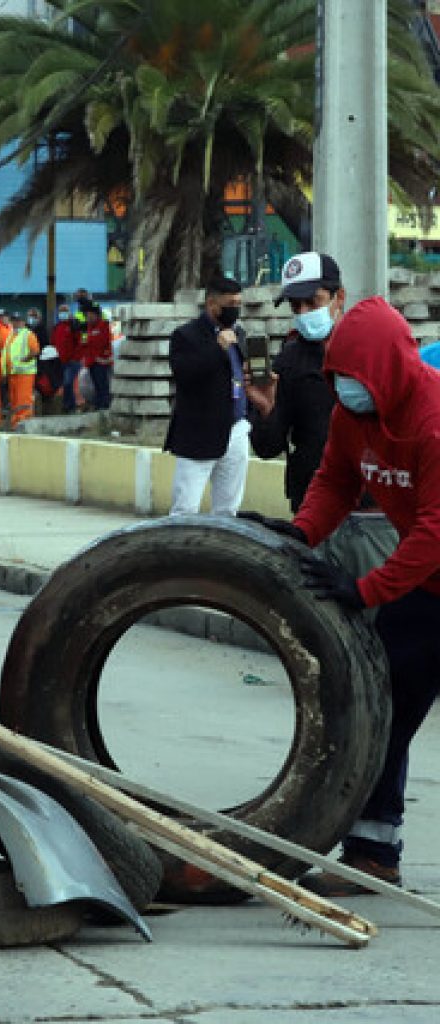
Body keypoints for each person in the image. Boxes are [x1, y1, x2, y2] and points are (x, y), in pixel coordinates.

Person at [246, 297, 440, 895]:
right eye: (340, 379)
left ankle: (372, 850)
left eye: (357, 380)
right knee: (380, 704)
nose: (348, 391)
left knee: (388, 702)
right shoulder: (354, 416)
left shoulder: (433, 420)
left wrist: (365, 589)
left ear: (387, 370)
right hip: (429, 583)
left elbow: (437, 526)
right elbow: (336, 479)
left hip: (430, 563)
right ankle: (373, 853)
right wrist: (303, 533)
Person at [244, 252, 397, 583]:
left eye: (312, 302)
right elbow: (269, 447)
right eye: (295, 306)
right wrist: (266, 409)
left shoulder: (373, 349)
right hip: (312, 514)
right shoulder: (289, 359)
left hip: (373, 516)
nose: (303, 314)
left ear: (338, 297)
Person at [164, 275, 250, 515]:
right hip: (199, 434)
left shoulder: (239, 334)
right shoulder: (186, 336)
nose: (235, 310)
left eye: (238, 304)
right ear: (212, 304)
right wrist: (217, 348)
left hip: (236, 428)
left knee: (228, 509)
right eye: (230, 305)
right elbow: (184, 374)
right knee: (186, 508)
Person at [1, 311, 40, 426]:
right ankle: (15, 422)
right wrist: (5, 372)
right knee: (14, 400)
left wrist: (24, 360)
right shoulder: (11, 335)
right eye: (14, 321)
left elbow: (35, 351)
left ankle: (24, 423)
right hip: (13, 373)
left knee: (23, 399)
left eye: (18, 321)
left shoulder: (28, 334)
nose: (15, 323)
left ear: (23, 322)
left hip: (24, 373)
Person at [79, 301, 114, 411]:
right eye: (87, 315)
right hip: (91, 361)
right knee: (96, 385)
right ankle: (99, 404)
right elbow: (85, 344)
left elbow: (104, 343)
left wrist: (104, 358)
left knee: (102, 384)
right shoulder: (88, 327)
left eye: (90, 315)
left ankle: (104, 405)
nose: (88, 317)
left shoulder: (103, 326)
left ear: (96, 315)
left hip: (101, 361)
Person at [51, 302, 83, 413]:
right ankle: (67, 405)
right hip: (61, 361)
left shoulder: (73, 326)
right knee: (65, 383)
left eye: (65, 311)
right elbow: (54, 343)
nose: (62, 314)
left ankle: (70, 405)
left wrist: (75, 357)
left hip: (72, 361)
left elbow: (79, 343)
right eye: (61, 312)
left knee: (68, 382)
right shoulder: (57, 327)